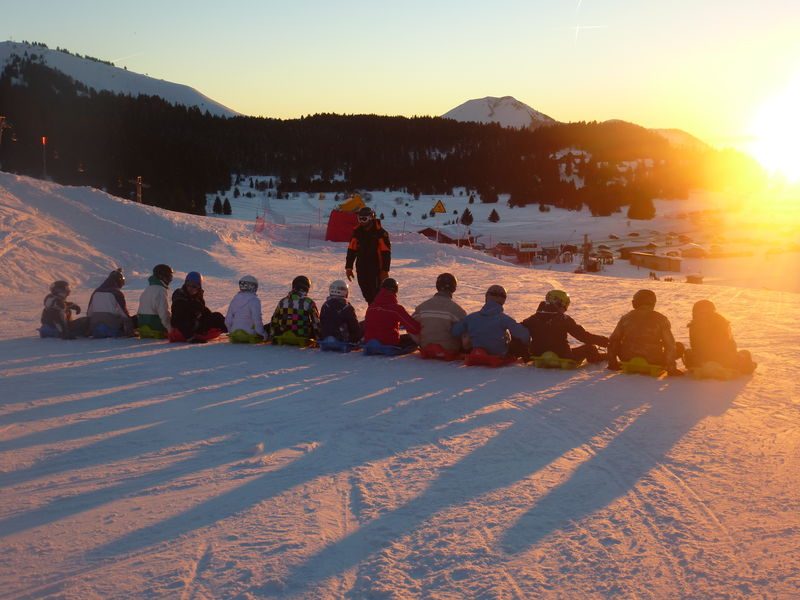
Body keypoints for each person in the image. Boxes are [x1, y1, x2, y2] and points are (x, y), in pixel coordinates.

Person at [607, 289, 683, 375]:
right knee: (679, 346)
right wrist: (671, 368)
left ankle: (615, 363)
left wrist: (612, 363)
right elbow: (670, 344)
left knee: (617, 340)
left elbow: (613, 340)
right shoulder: (661, 319)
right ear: (653, 303)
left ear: (636, 302)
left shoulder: (626, 318)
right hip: (653, 360)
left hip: (626, 358)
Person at [520, 289, 609, 363]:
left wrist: (525, 352)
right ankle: (597, 358)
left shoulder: (533, 318)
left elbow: (518, 331)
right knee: (590, 348)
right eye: (565, 305)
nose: (565, 309)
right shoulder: (564, 319)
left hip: (537, 354)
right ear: (559, 303)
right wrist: (604, 341)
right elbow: (583, 336)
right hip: (562, 355)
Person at [451, 284, 530, 358]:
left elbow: (455, 332)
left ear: (486, 297)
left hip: (475, 351)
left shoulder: (471, 317)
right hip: (499, 354)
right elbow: (524, 335)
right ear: (503, 300)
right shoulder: (504, 319)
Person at [682, 299, 756, 374]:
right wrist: (699, 358)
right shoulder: (694, 325)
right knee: (688, 354)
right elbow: (695, 345)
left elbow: (723, 346)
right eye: (699, 312)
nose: (702, 315)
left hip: (723, 356)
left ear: (711, 312)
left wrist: (709, 360)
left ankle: (745, 358)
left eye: (705, 312)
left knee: (739, 365)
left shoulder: (720, 323)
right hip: (704, 356)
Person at [412, 272, 467, 355]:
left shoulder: (422, 307)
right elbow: (466, 329)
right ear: (453, 288)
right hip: (449, 348)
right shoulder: (457, 310)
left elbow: (410, 325)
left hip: (425, 346)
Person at [345, 206, 391, 304]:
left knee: (377, 294)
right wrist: (349, 267)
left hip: (376, 269)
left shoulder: (380, 233)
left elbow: (386, 253)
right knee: (367, 294)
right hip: (361, 268)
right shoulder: (357, 232)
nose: (361, 221)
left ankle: (378, 313)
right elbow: (351, 250)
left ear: (371, 218)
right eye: (359, 218)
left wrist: (385, 270)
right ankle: (373, 312)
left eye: (364, 219)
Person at [363, 278, 421, 351]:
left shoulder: (371, 307)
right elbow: (414, 329)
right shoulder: (396, 309)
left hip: (369, 341)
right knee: (411, 338)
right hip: (388, 342)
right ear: (395, 290)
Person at [170, 271, 227, 343]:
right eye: (188, 285)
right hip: (184, 328)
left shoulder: (197, 296)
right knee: (186, 319)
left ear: (199, 286)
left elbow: (203, 310)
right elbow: (178, 320)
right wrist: (190, 338)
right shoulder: (180, 299)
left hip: (196, 323)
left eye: (194, 286)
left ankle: (234, 329)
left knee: (217, 316)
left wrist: (213, 319)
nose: (190, 288)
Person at [269, 275, 320, 342]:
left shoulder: (283, 301)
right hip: (301, 334)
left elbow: (274, 319)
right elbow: (316, 321)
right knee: (313, 324)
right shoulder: (309, 302)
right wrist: (319, 337)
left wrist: (273, 333)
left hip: (282, 333)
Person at [87, 268, 135, 337]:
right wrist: (130, 329)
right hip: (111, 324)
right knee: (133, 319)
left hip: (95, 325)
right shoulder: (116, 293)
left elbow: (89, 312)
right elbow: (123, 313)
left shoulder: (96, 292)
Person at [225, 275, 266, 342]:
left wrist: (231, 331)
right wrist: (262, 334)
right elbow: (257, 319)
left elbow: (228, 320)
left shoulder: (235, 300)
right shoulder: (254, 301)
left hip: (235, 335)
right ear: (254, 287)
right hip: (249, 335)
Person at [137, 264, 173, 339]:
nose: (170, 280)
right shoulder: (160, 290)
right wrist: (170, 330)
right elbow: (163, 313)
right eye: (168, 277)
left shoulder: (148, 289)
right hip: (155, 326)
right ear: (161, 276)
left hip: (143, 324)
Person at [319, 279, 361, 343]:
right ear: (345, 292)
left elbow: (322, 322)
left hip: (325, 337)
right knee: (364, 325)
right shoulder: (347, 307)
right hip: (342, 340)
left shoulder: (325, 305)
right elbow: (354, 327)